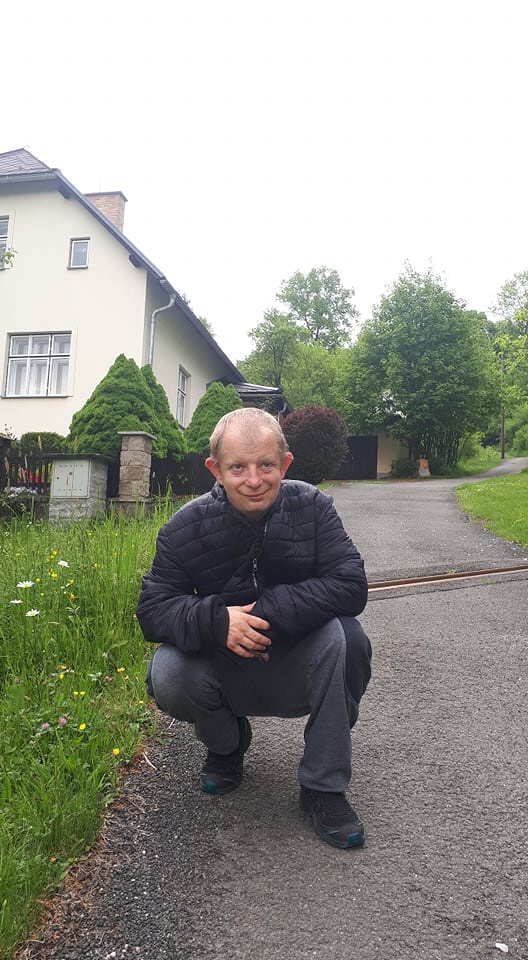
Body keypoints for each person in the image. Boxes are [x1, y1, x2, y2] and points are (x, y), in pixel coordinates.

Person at [137, 407, 372, 850]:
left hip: (297, 663)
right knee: (167, 670)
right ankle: (227, 747)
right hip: (226, 669)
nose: (254, 480)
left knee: (347, 639)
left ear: (285, 463)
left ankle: (323, 787)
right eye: (237, 468)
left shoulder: (314, 507)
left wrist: (267, 614)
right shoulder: (182, 528)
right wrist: (219, 621)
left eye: (266, 465)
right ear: (215, 470)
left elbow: (350, 585)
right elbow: (153, 609)